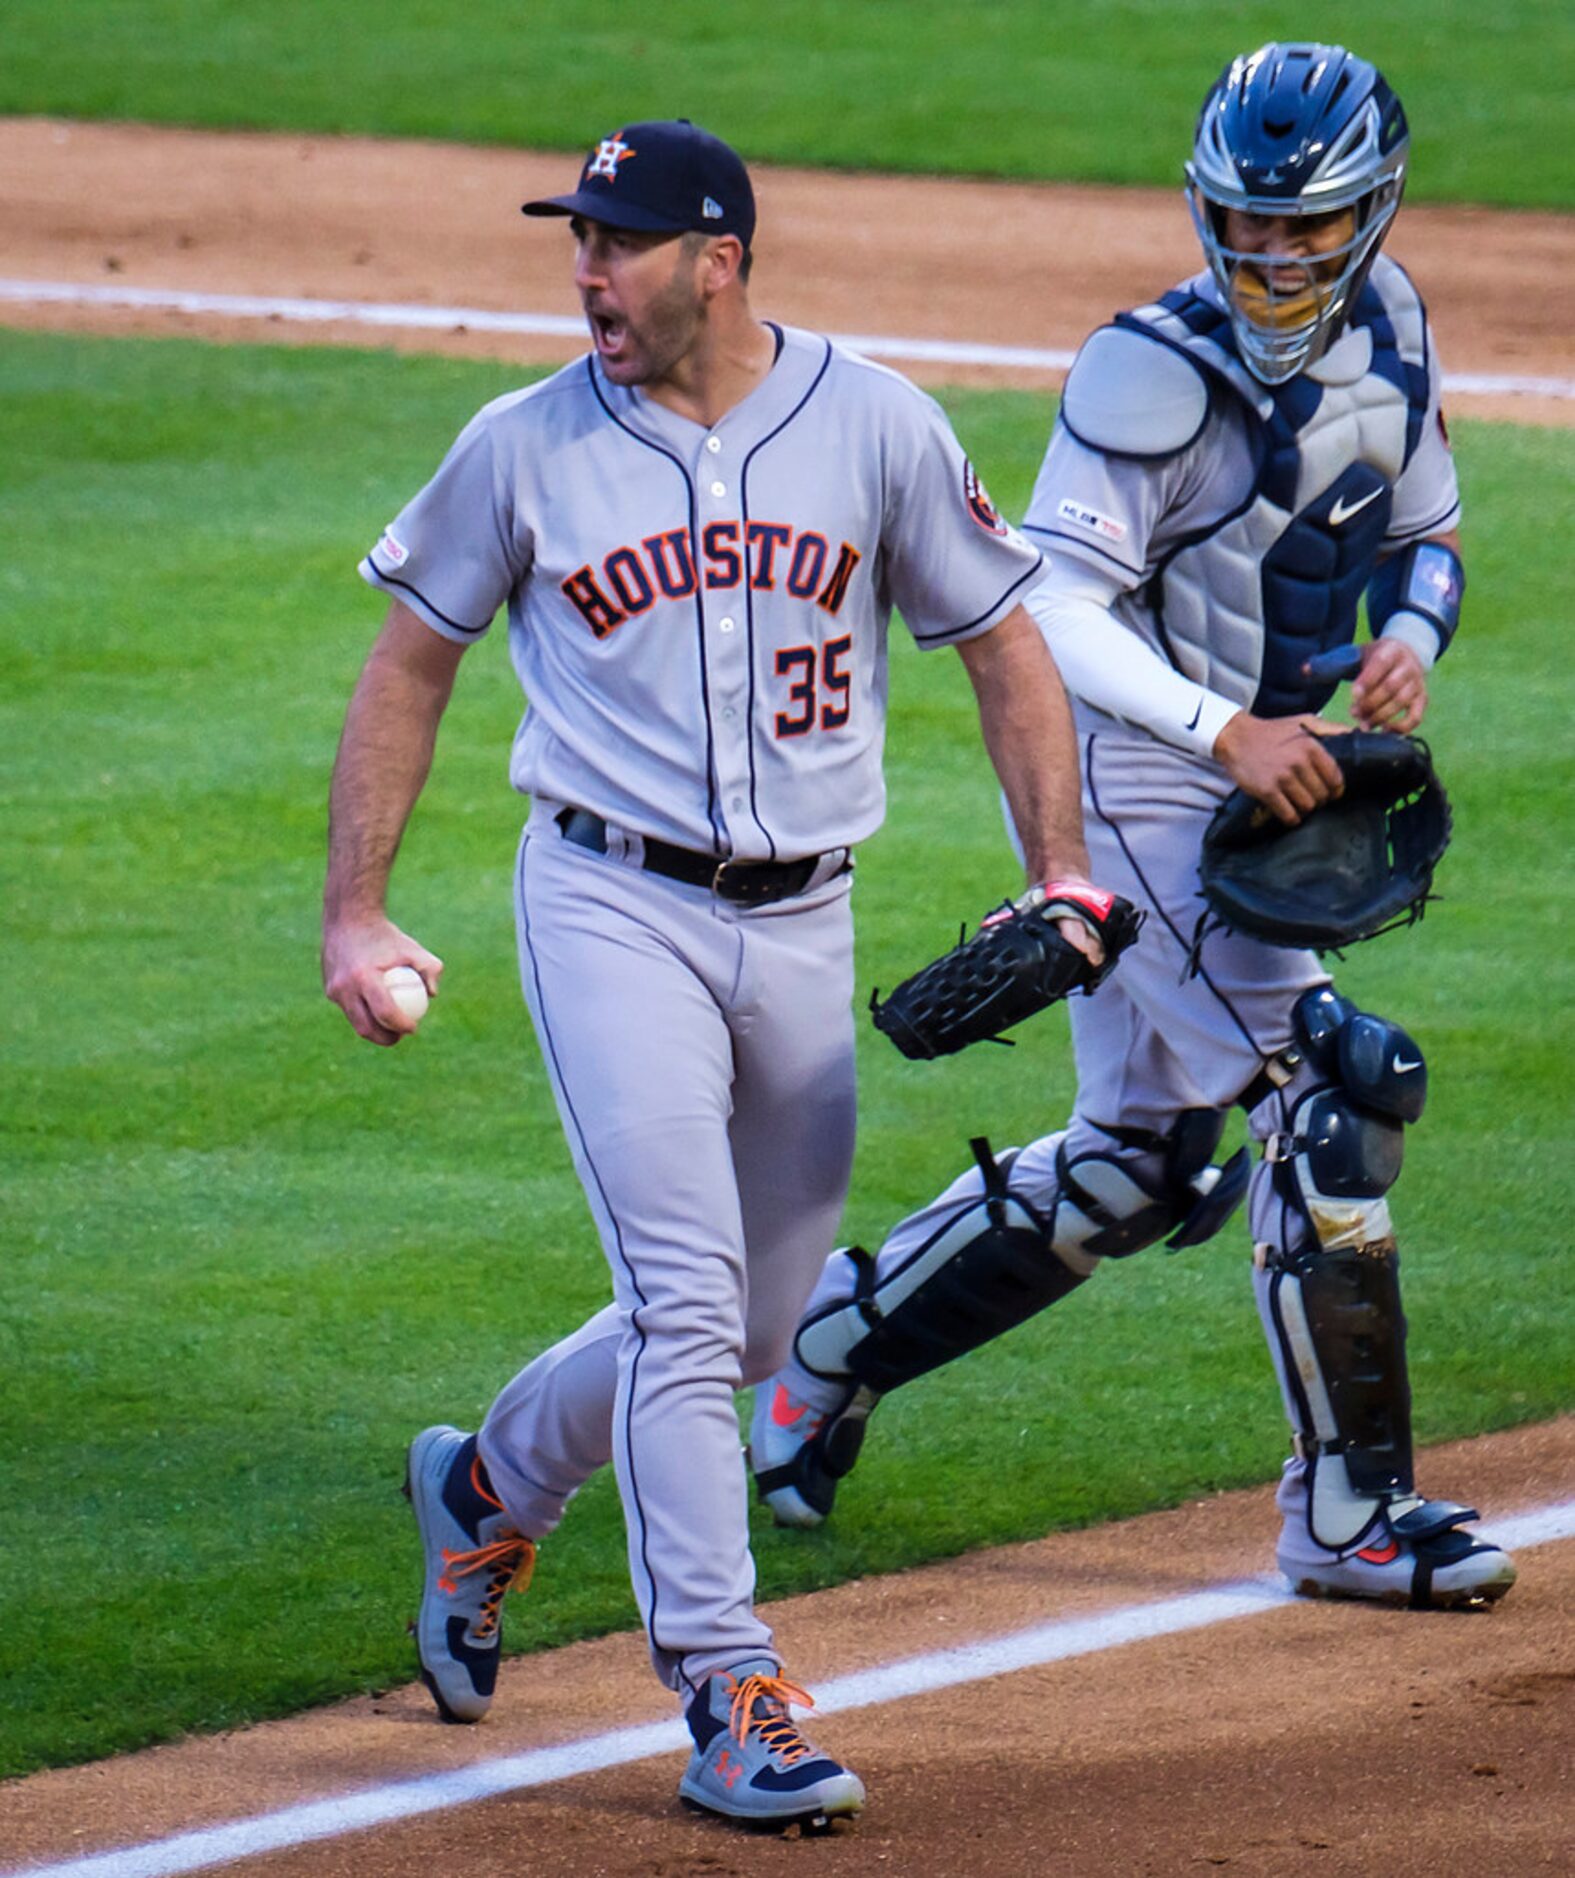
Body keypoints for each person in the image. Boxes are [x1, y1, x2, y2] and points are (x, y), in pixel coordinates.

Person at [321, 119, 1110, 1830]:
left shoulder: (877, 424)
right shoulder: (519, 446)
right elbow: (409, 666)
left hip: (805, 918)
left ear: (719, 258)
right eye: (576, 240)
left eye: (619, 240)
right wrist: (357, 912)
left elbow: (1003, 639)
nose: (587, 270)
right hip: (609, 907)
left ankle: (481, 1485)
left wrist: (1060, 863)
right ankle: (728, 1683)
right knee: (687, 1300)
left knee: (752, 1324)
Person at [751, 44, 1518, 1614]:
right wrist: (1221, 728)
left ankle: (819, 1354)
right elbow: (1046, 610)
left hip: (1274, 774)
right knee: (1340, 1085)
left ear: (1372, 216)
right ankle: (1347, 1513)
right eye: (1246, 226)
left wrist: (1412, 645)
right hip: (1156, 789)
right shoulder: (1147, 379)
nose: (1274, 260)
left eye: (1307, 230)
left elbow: (1429, 533)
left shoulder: (1396, 328)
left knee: (1140, 1165)